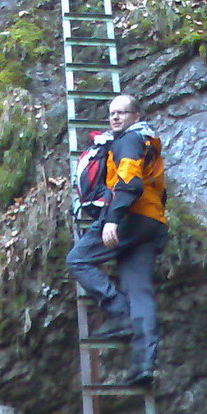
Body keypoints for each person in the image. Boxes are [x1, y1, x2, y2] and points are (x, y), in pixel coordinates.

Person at [66, 94, 167, 386]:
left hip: (129, 217)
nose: (115, 118)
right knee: (140, 292)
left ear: (136, 116)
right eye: (112, 113)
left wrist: (112, 218)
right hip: (152, 221)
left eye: (122, 113)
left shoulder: (128, 140)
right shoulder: (150, 142)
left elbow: (129, 180)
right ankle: (144, 366)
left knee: (78, 259)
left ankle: (119, 313)